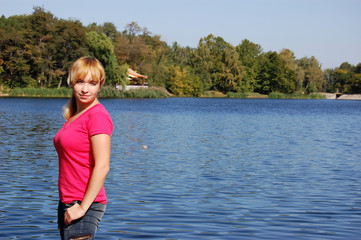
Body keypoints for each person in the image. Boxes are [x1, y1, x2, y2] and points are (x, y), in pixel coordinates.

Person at [54, 56, 113, 240]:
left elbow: (103, 166)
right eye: (80, 82)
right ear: (71, 82)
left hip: (84, 204)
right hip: (68, 201)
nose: (85, 89)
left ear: (100, 85)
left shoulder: (98, 116)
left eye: (92, 83)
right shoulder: (76, 116)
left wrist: (82, 207)